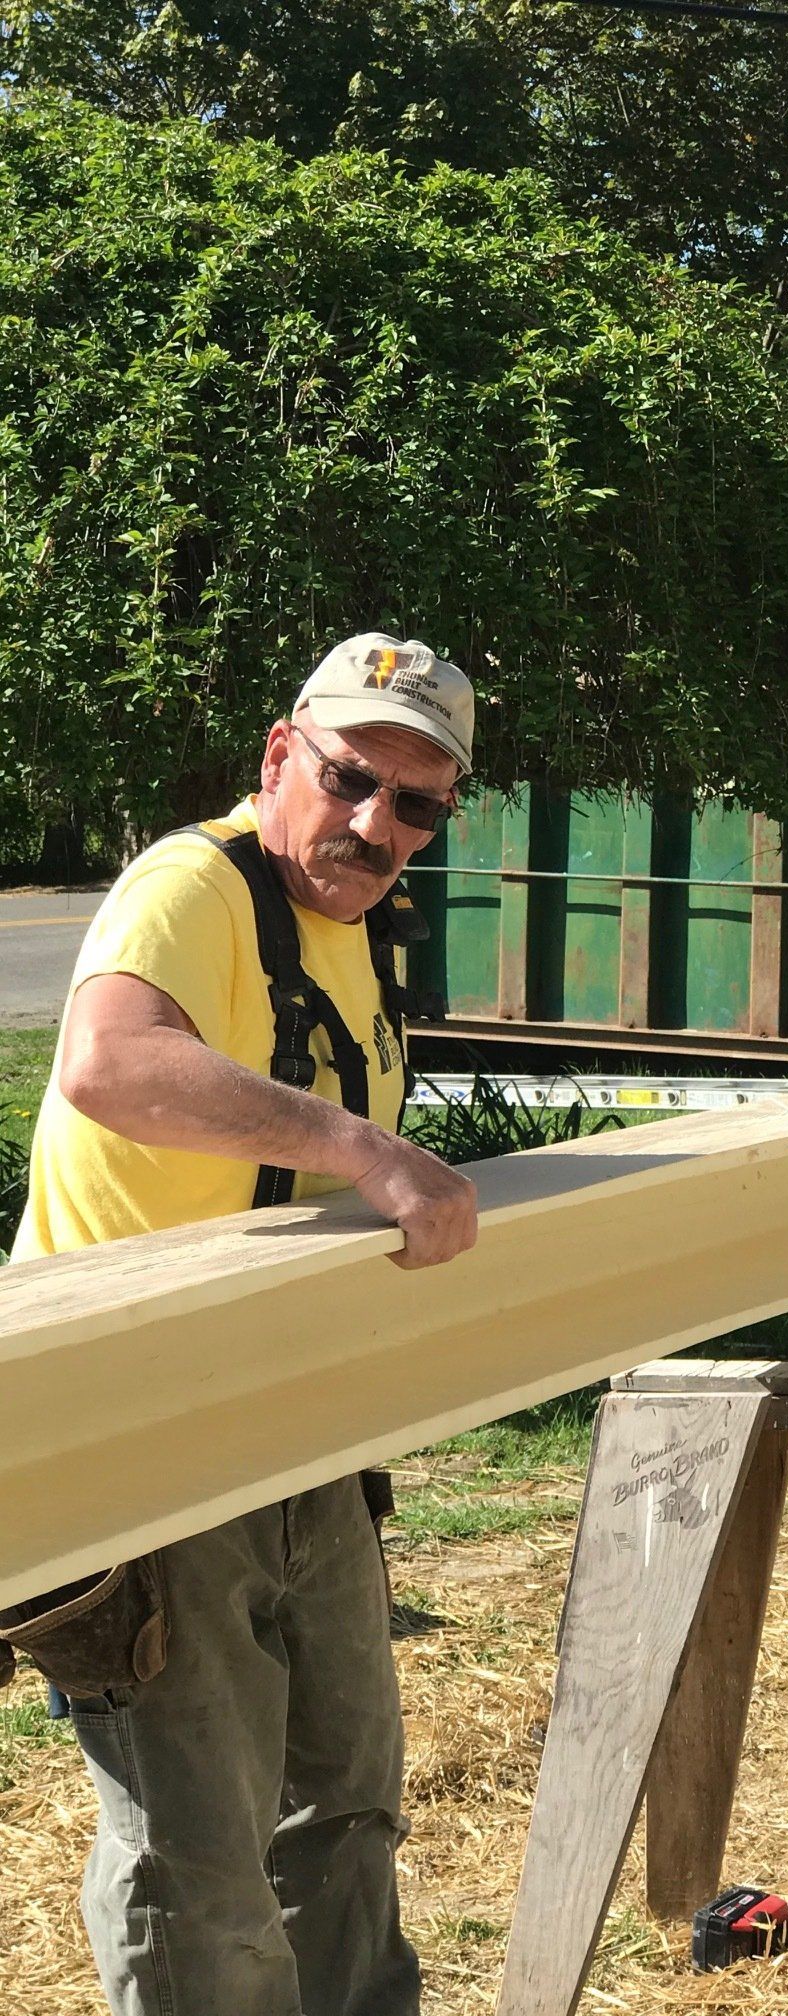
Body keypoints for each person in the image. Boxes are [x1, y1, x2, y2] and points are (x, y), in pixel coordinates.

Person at [6, 633, 480, 2014]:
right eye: (350, 779)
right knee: (201, 1862)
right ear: (281, 756)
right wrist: (363, 1148)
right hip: (140, 1428)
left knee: (346, 1812)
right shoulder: (194, 885)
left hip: (296, 1422)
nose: (375, 825)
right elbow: (110, 1063)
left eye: (417, 803)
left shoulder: (356, 928)